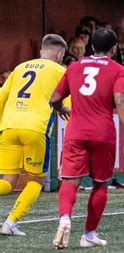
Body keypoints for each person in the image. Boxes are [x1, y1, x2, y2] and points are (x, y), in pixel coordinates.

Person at [50, 28, 124, 249]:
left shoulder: (74, 67)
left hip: (75, 132)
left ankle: (64, 218)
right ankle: (89, 235)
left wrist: (61, 107)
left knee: (70, 181)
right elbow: (121, 101)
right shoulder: (118, 70)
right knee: (100, 184)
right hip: (103, 133)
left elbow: (54, 98)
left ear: (91, 47)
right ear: (114, 48)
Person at [0, 34, 67, 236]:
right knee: (36, 180)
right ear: (61, 54)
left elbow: (1, 96)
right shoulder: (60, 70)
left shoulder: (20, 67)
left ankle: (10, 224)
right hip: (35, 129)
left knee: (8, 180)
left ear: (41, 52)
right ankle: (10, 223)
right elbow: (70, 105)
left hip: (9, 127)